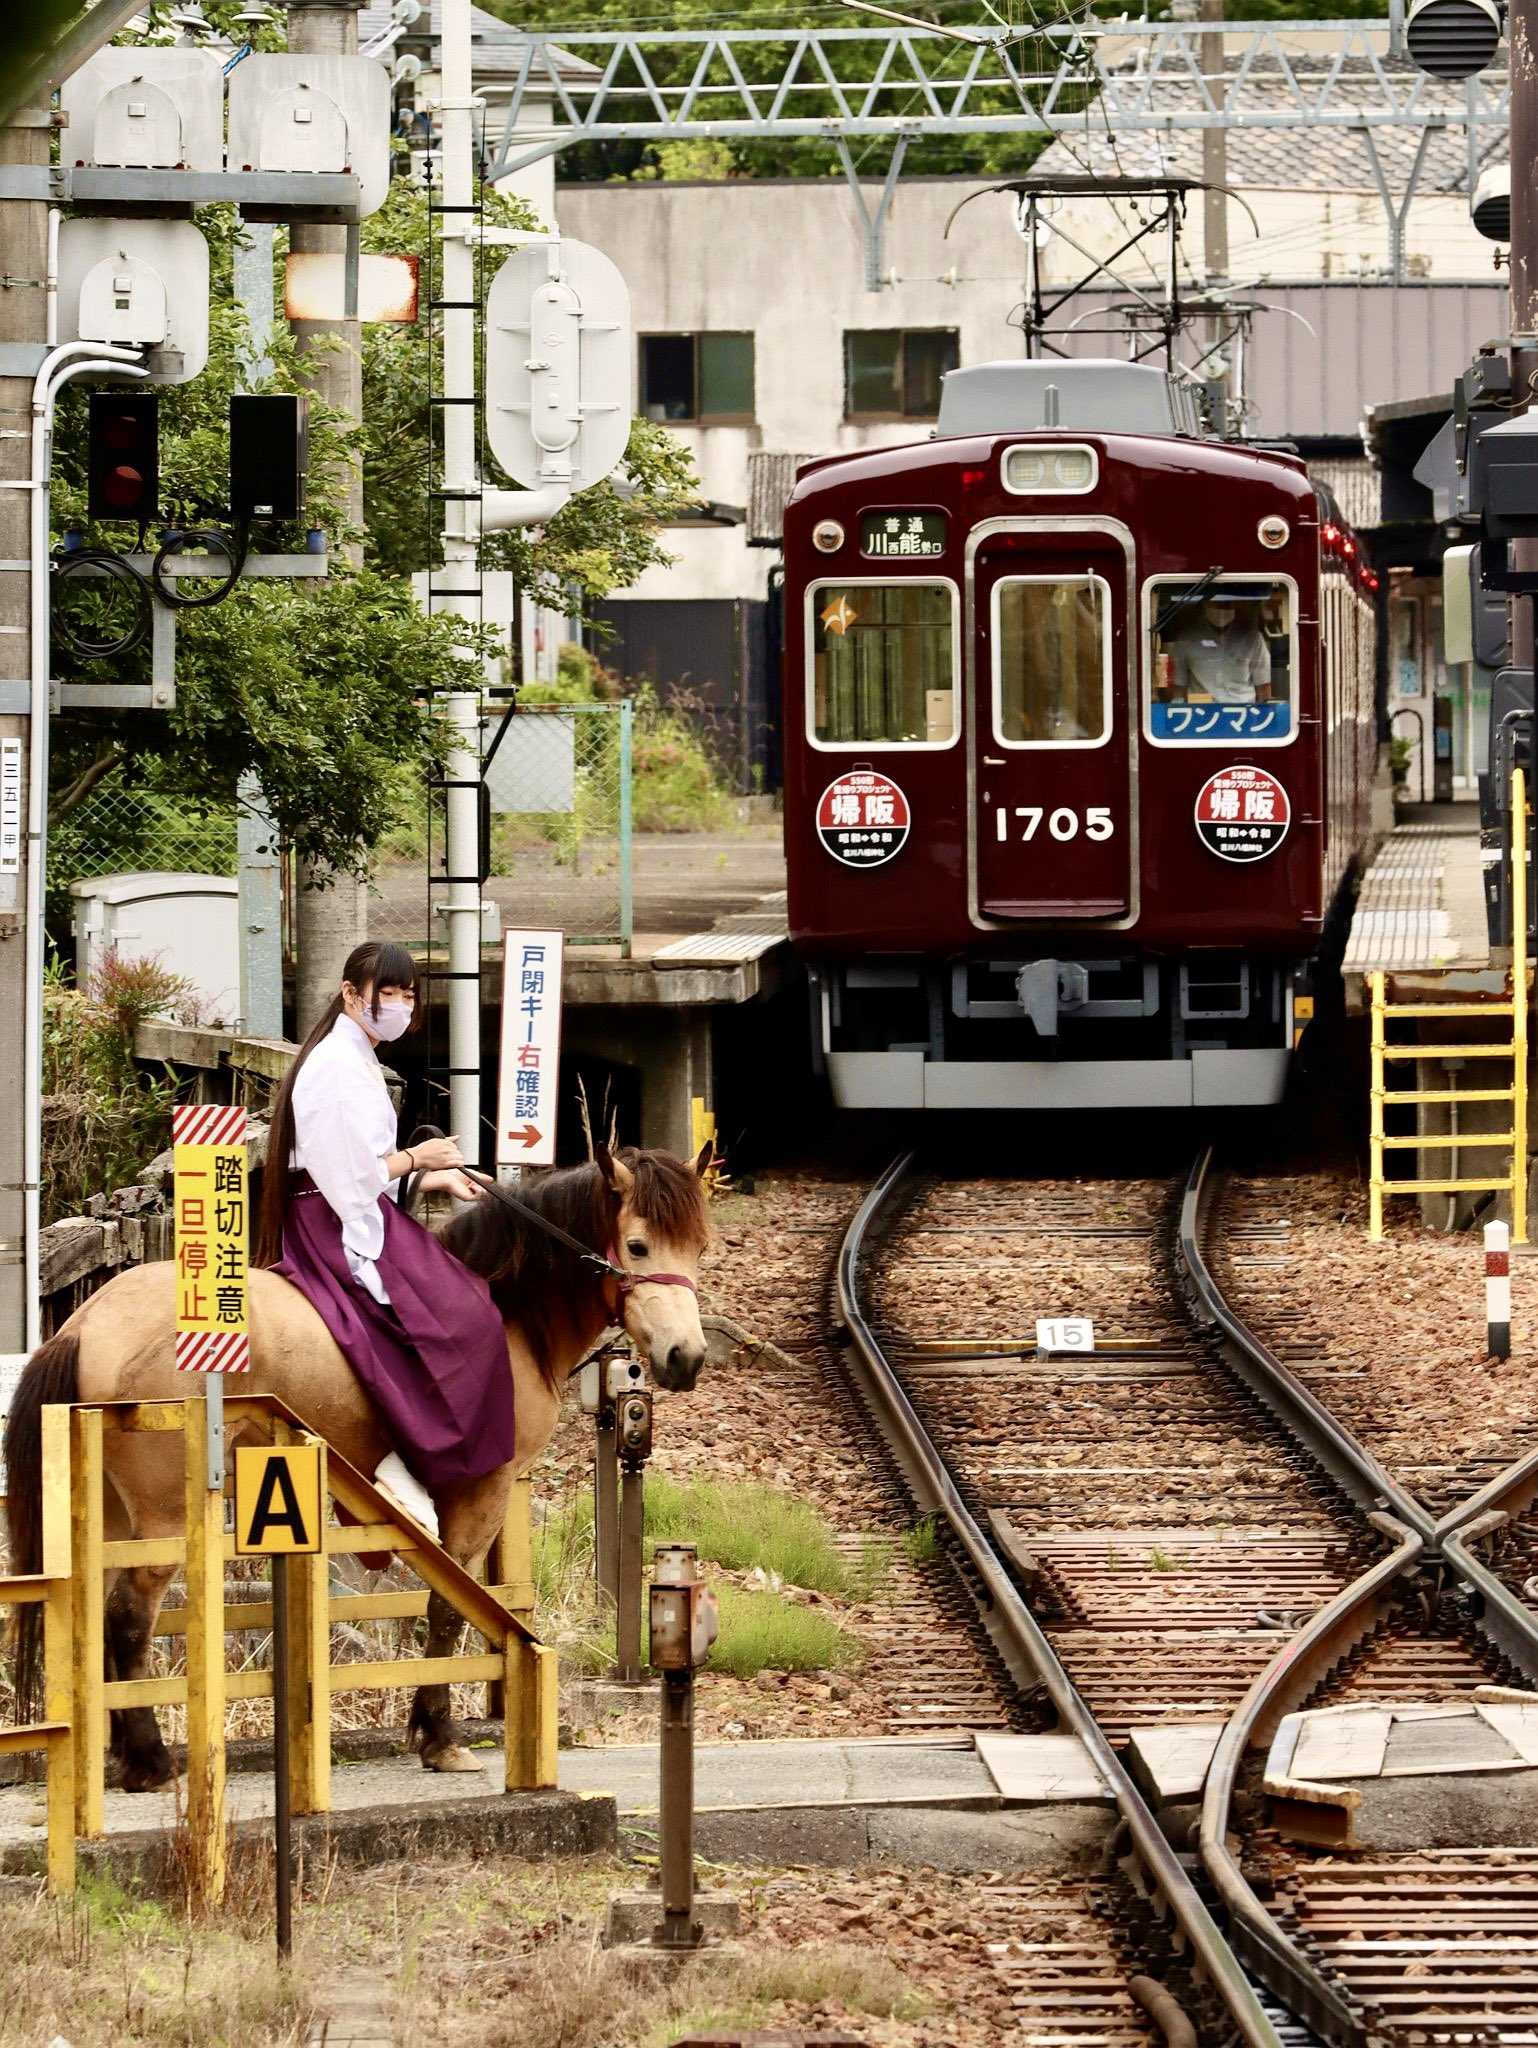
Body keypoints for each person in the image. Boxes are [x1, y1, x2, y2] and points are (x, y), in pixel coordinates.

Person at [254, 939, 514, 1537]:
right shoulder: (336, 1064)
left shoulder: (353, 1056)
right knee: (464, 1316)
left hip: (347, 1209)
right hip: (330, 1220)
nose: (398, 1004)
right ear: (351, 995)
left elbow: (363, 1168)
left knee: (465, 1305)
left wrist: (433, 1175)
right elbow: (346, 1175)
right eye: (386, 993)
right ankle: (408, 1456)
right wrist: (417, 1156)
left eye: (407, 994)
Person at [1163, 597, 1271, 705]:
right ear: (1204, 603)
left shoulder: (1253, 639)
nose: (1221, 606)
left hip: (1243, 714)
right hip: (1201, 715)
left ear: (1235, 604)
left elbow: (1263, 687)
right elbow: (1179, 688)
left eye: (1227, 603)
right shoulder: (1186, 639)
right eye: (1216, 602)